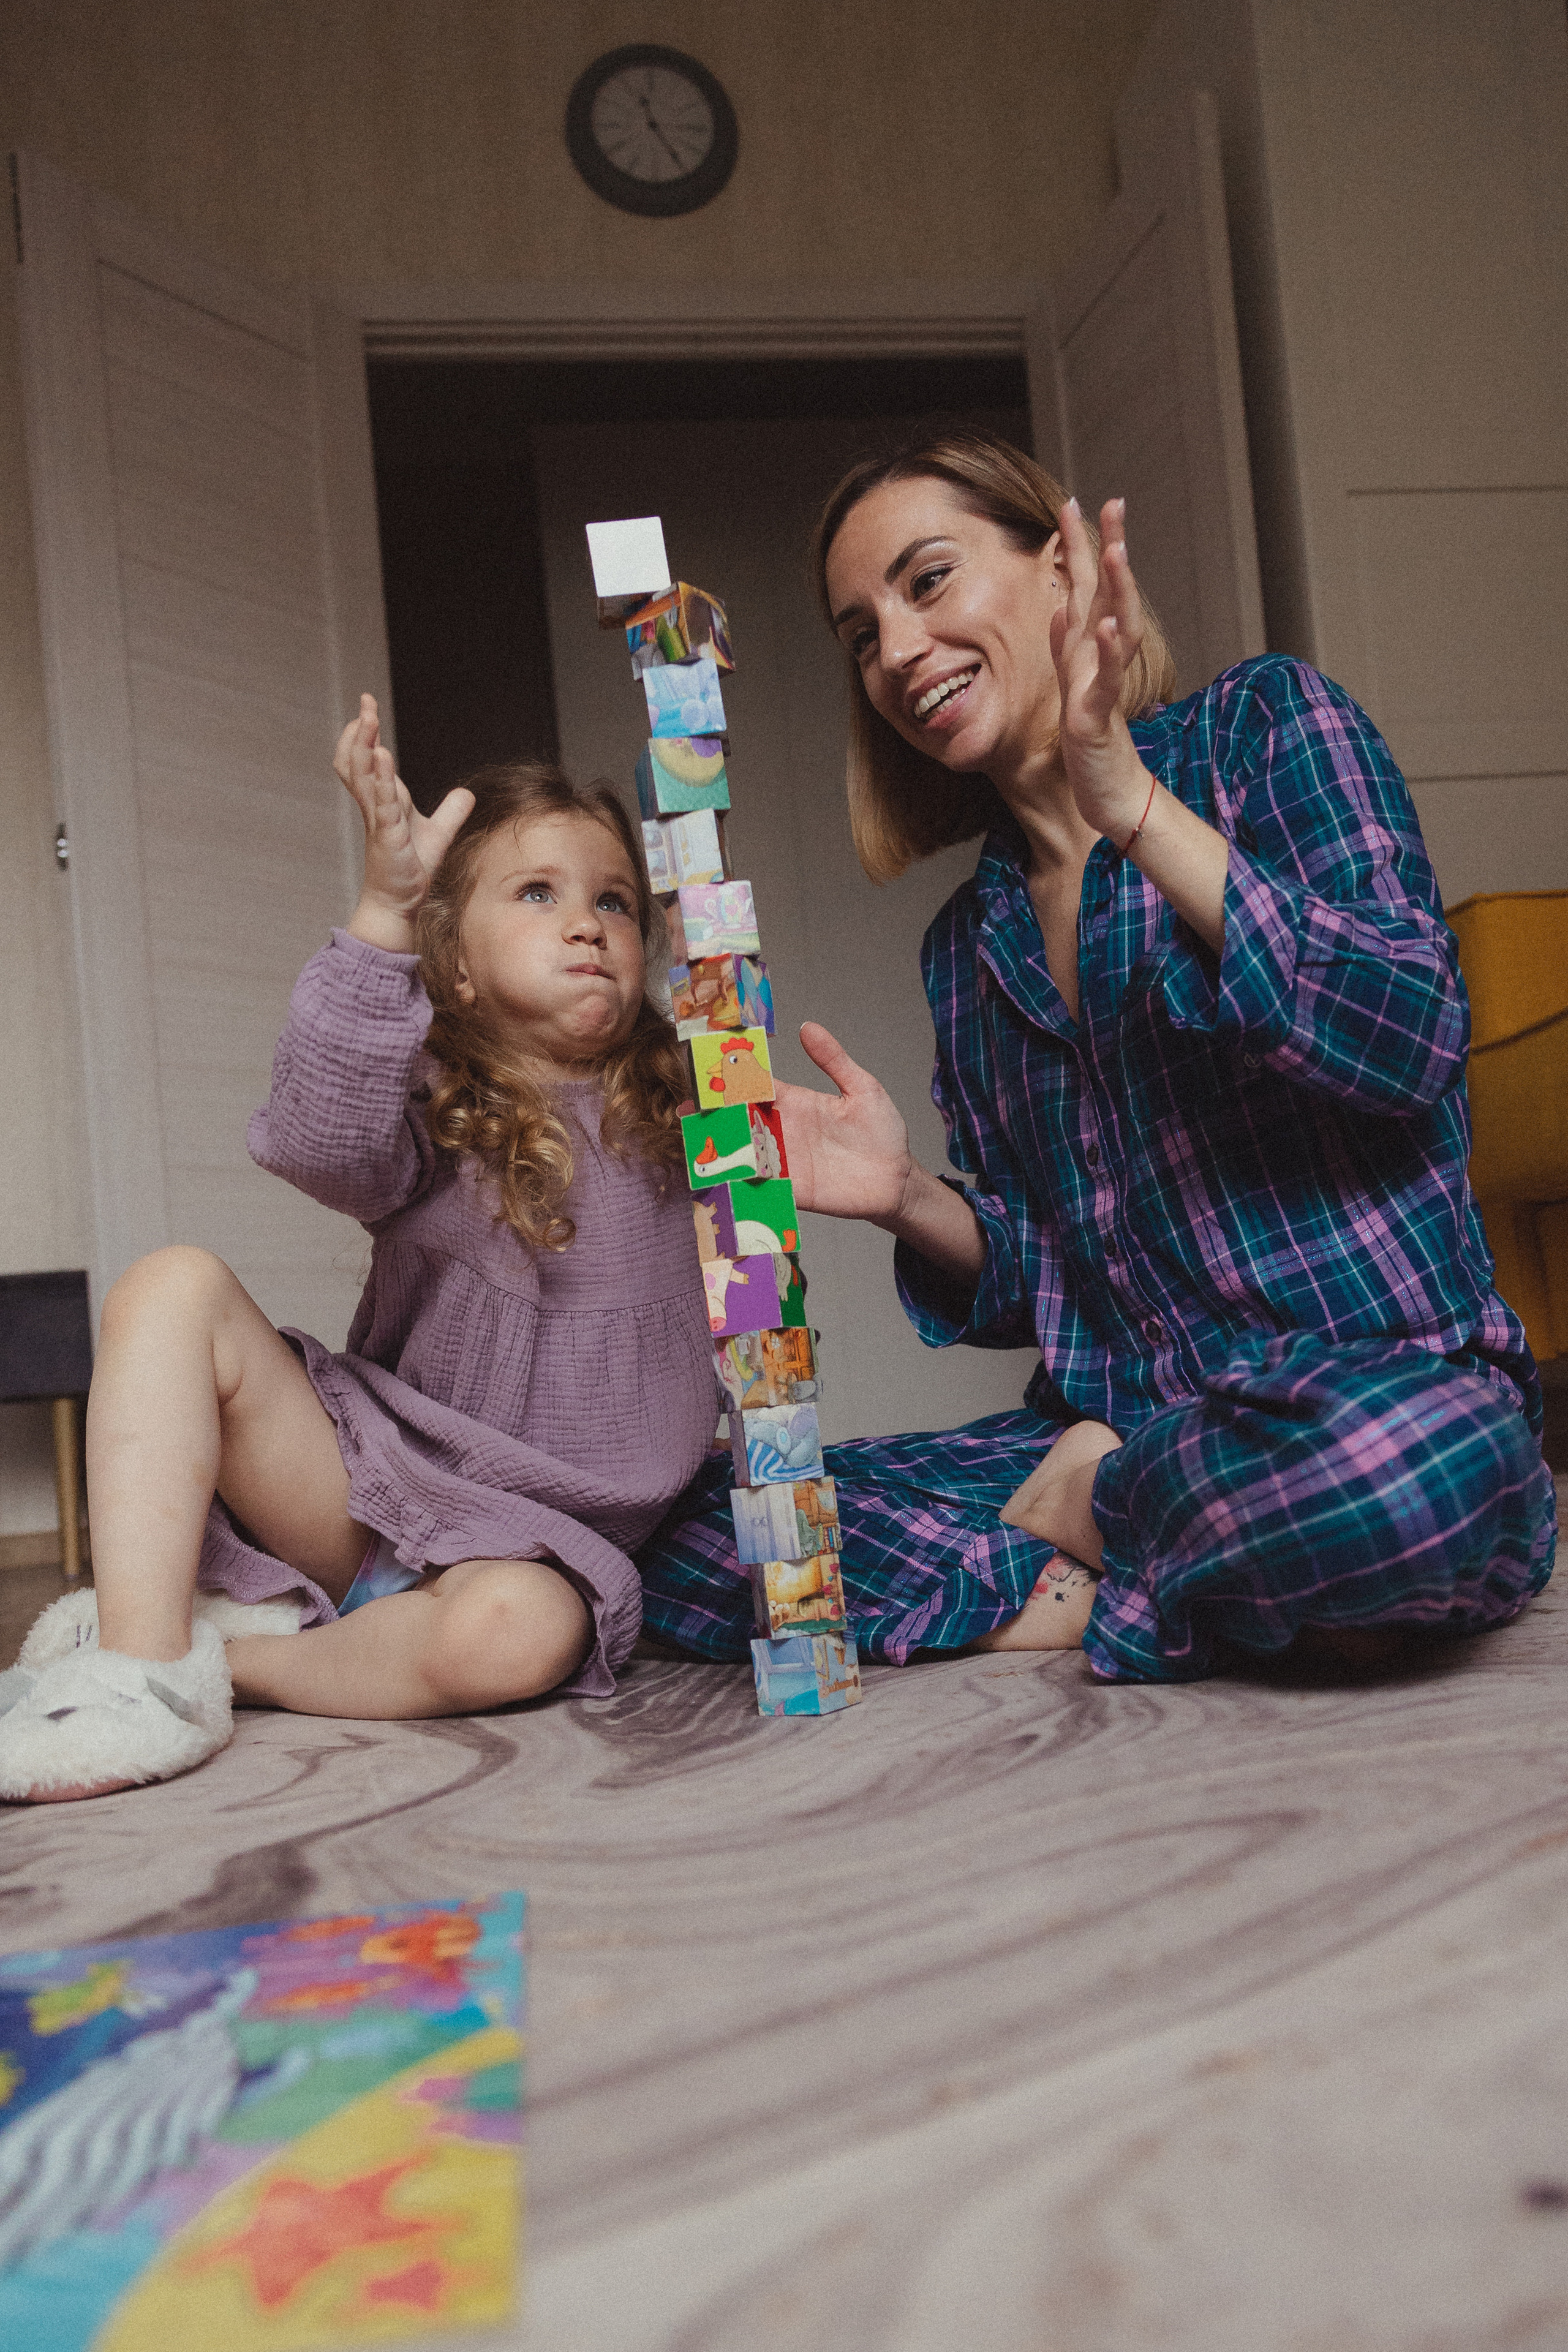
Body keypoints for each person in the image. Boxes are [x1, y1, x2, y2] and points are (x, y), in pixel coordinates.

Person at [637, 432, 1556, 1679]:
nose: (895, 651)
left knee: (1412, 1479)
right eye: (859, 635)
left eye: (926, 581)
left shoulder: (1263, 728)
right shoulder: (967, 946)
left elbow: (1407, 1036)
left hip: (1372, 1400)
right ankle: (1145, 1563)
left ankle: (1102, 1526)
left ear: (1060, 565)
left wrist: (1128, 802)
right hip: (1124, 1421)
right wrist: (904, 1198)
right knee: (697, 1529)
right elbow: (1060, 1281)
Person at [1, 698, 716, 1801]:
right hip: (374, 1487)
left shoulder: (692, 1124)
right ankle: (137, 1670)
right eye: (539, 893)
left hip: (532, 1553)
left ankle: (225, 1662)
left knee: (520, 1635)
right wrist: (386, 914)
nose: (586, 924)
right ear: (457, 966)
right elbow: (315, 1140)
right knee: (172, 1285)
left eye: (613, 901)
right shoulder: (437, 1095)